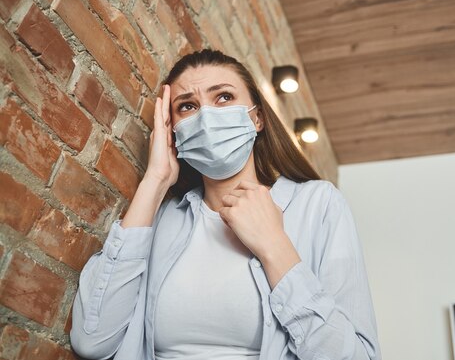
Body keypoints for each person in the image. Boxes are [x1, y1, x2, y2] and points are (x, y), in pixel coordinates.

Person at [70, 49, 381, 360]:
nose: (206, 117)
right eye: (188, 106)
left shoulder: (318, 203)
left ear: (257, 118)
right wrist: (155, 181)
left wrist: (275, 246)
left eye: (223, 98)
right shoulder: (162, 218)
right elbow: (92, 340)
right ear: (173, 131)